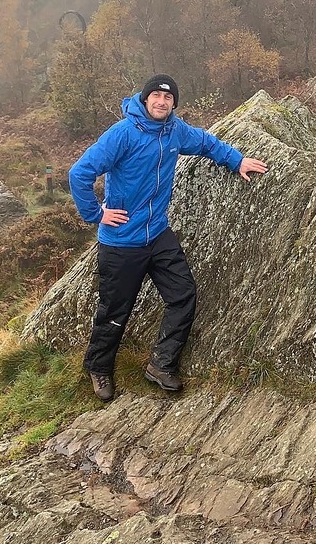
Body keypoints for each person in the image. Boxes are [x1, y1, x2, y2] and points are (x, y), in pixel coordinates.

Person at [69, 73, 268, 401]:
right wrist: (97, 214)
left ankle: (161, 364)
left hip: (158, 234)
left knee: (183, 294)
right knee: (115, 310)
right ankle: (99, 367)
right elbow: (79, 174)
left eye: (168, 98)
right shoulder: (124, 134)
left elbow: (205, 142)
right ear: (145, 99)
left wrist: (237, 160)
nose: (162, 102)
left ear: (174, 103)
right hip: (121, 243)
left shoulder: (174, 130)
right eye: (156, 97)